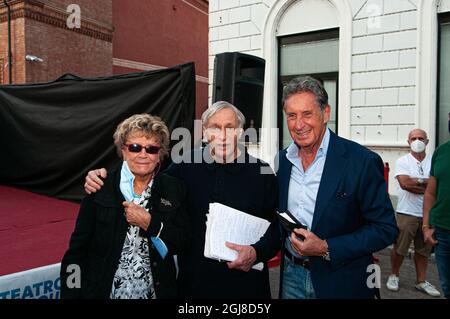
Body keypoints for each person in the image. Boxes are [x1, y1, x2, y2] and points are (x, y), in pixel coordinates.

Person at [84, 101, 280, 299]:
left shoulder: (262, 173)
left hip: (246, 288)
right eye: (214, 127)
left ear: (240, 132)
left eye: (230, 128)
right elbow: (144, 173)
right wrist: (102, 176)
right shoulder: (185, 165)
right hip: (195, 287)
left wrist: (256, 252)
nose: (222, 135)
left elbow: (277, 229)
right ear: (204, 132)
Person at [277, 76, 398, 299]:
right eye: (291, 116)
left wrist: (326, 247)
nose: (299, 124)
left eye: (307, 114)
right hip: (291, 276)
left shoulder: (360, 161)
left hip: (341, 281)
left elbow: (385, 229)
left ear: (326, 114)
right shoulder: (283, 160)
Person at [60, 114, 189, 299]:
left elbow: (183, 241)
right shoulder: (100, 186)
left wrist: (151, 224)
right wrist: (71, 296)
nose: (143, 154)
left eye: (151, 149)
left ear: (160, 154)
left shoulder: (174, 189)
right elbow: (76, 253)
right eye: (135, 147)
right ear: (124, 150)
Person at [386, 129, 440, 297]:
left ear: (427, 141)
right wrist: (427, 185)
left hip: (428, 214)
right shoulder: (403, 161)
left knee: (423, 250)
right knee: (400, 247)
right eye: (414, 138)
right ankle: (394, 275)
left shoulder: (433, 161)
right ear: (408, 141)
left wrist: (417, 181)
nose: (418, 141)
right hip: (406, 212)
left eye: (421, 138)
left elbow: (438, 186)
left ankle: (421, 281)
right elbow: (405, 184)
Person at [423, 139, 450, 299]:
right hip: (442, 233)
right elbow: (430, 193)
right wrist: (426, 226)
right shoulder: (441, 152)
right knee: (447, 286)